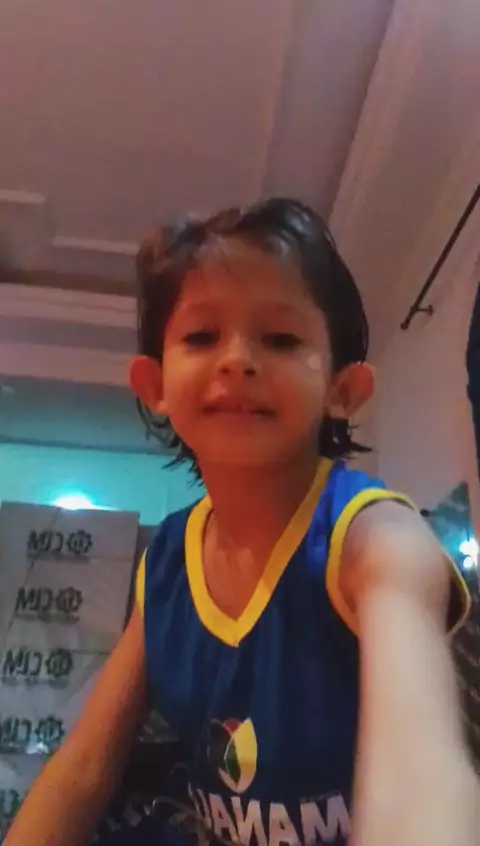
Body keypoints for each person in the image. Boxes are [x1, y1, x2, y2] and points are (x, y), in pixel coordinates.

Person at [5, 198, 479, 846]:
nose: (237, 359)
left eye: (280, 340)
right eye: (203, 337)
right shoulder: (166, 562)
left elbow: (421, 779)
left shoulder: (377, 538)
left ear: (343, 391)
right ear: (155, 386)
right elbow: (83, 770)